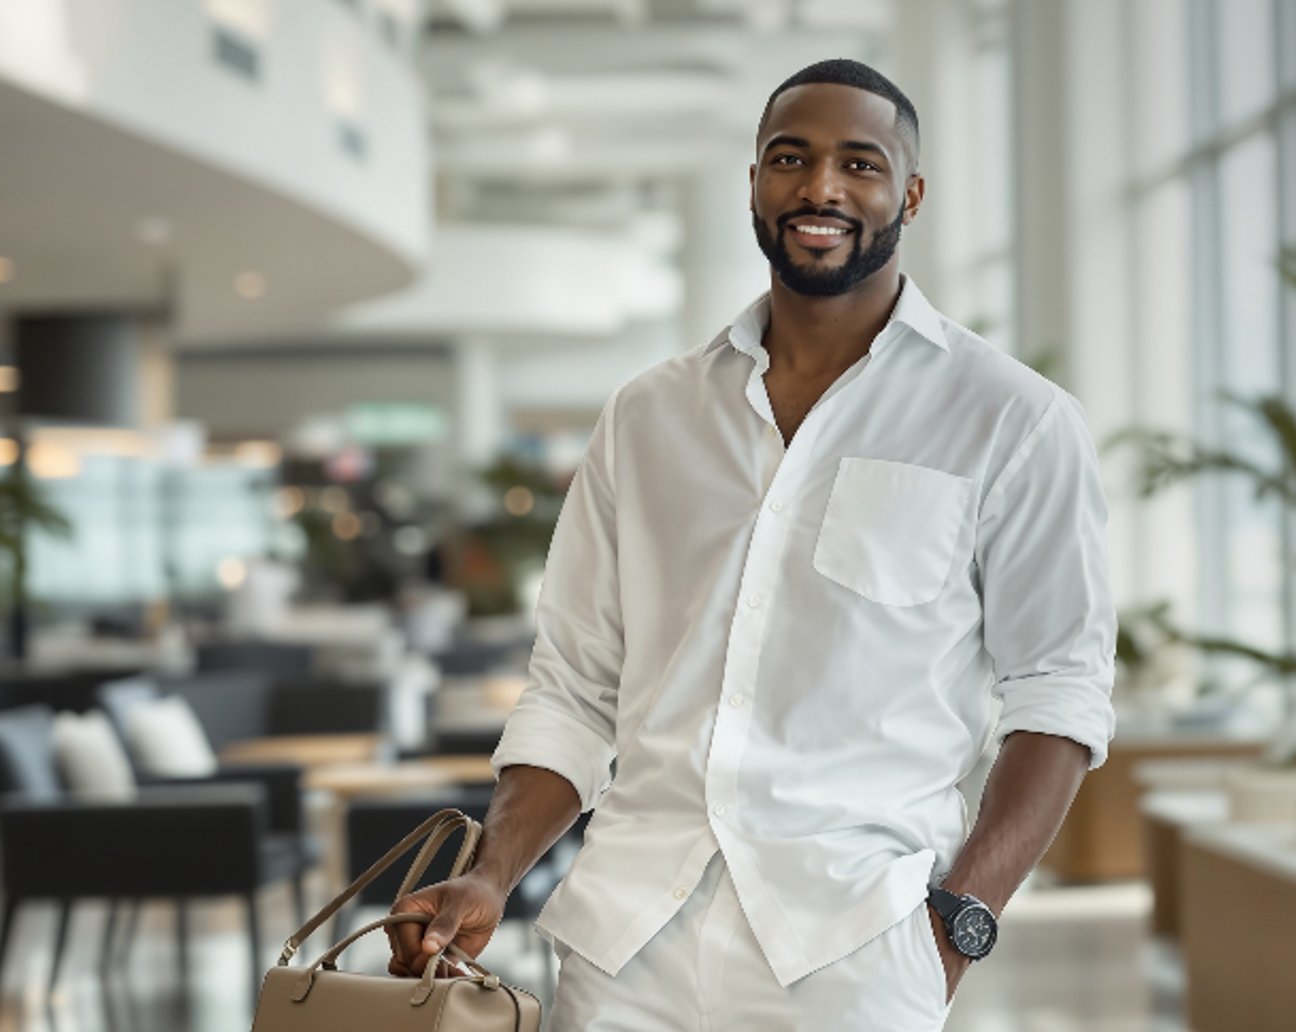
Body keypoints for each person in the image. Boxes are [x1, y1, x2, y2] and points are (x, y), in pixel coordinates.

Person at [387, 57, 1116, 1031]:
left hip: (851, 949)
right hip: (625, 946)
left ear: (912, 192)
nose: (821, 188)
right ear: (754, 184)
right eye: (790, 158)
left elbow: (1058, 695)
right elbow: (573, 688)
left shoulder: (1012, 421)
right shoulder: (648, 417)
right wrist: (492, 875)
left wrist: (958, 924)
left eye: (860, 164)